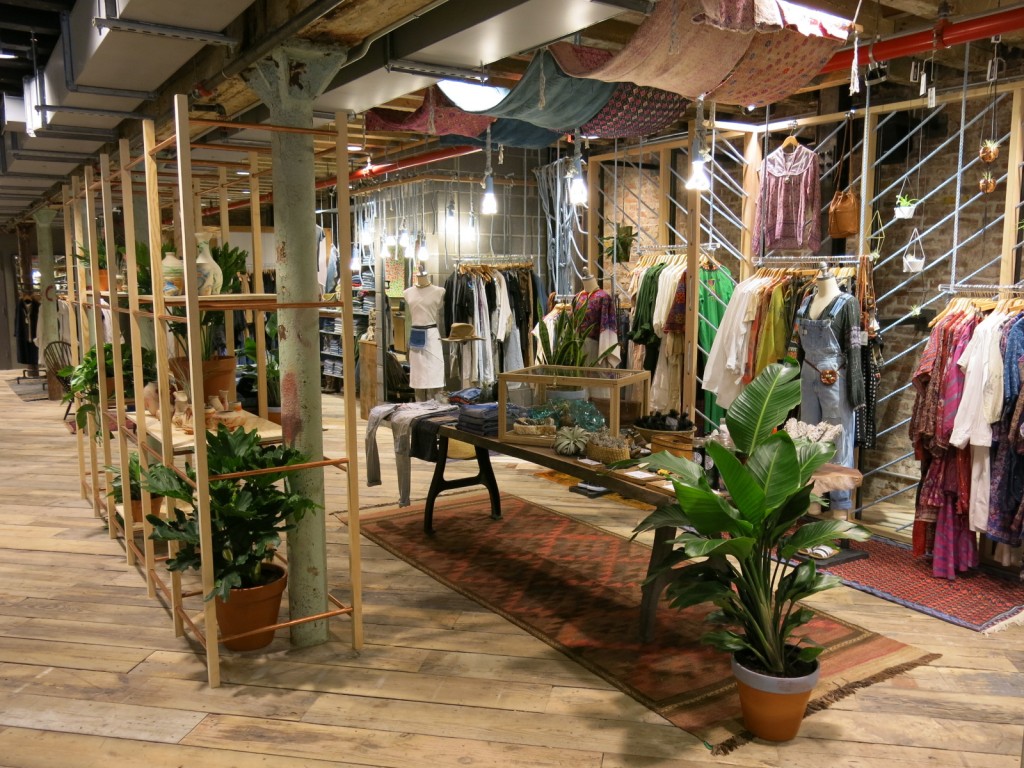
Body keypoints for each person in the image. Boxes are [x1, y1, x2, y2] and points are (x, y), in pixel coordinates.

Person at [791, 263, 864, 511]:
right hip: (807, 371)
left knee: (838, 437)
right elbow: (797, 346)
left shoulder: (848, 303)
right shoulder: (805, 303)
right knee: (808, 435)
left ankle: (840, 503)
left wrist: (856, 389)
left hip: (835, 374)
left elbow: (854, 347)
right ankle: (811, 498)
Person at [403, 269, 446, 400]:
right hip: (416, 334)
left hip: (432, 335)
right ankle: (419, 408)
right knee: (418, 375)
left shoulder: (439, 291)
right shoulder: (408, 292)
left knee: (436, 371)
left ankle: (437, 407)